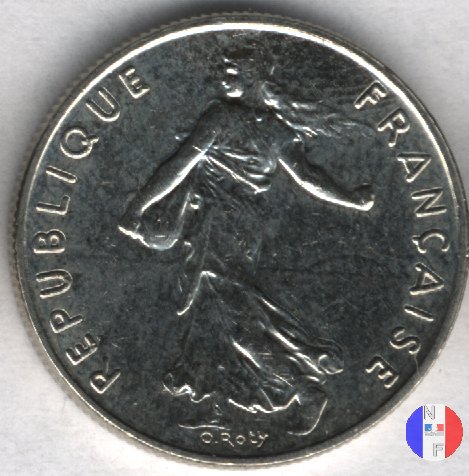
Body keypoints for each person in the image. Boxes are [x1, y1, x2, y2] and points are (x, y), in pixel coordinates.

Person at [118, 47, 374, 435]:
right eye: (221, 70)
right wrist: (351, 198)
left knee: (232, 319)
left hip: (218, 225)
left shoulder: (221, 117)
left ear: (253, 75)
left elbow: (179, 164)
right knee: (216, 319)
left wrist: (138, 207)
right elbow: (308, 177)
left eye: (231, 70)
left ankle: (303, 389)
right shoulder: (276, 129)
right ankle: (220, 406)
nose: (222, 76)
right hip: (241, 227)